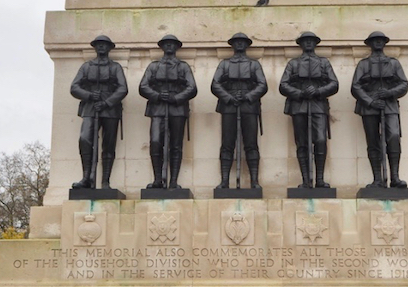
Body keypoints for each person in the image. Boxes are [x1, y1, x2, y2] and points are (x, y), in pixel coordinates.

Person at [279, 31, 339, 188]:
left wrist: (318, 91)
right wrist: (300, 93)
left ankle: (319, 179)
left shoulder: (323, 62)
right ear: (300, 44)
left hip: (318, 105)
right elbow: (283, 85)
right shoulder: (293, 63)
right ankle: (306, 179)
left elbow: (334, 83)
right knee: (302, 143)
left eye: (311, 41)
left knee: (320, 140)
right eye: (305, 41)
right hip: (299, 106)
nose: (308, 43)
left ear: (315, 43)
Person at [351, 31, 408, 188]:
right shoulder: (363, 64)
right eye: (374, 40)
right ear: (369, 44)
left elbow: (404, 84)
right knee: (373, 142)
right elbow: (355, 86)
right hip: (369, 107)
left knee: (394, 137)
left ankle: (395, 177)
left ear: (384, 43)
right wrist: (370, 101)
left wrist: (390, 93)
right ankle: (378, 178)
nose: (377, 43)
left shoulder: (393, 63)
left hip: (389, 105)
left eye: (380, 40)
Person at [139, 34, 197, 189]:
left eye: (172, 44)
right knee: (156, 142)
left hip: (177, 108)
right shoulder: (153, 66)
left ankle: (173, 181)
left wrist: (176, 98)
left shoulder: (183, 66)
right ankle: (158, 179)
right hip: (158, 107)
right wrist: (157, 95)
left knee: (176, 145)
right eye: (166, 44)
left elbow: (192, 87)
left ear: (177, 47)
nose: (169, 46)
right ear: (162, 47)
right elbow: (143, 86)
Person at [210, 33, 268, 189]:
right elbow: (215, 84)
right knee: (227, 144)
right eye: (237, 42)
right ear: (232, 45)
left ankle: (254, 181)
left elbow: (262, 84)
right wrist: (229, 97)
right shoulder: (225, 64)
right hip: (229, 106)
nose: (240, 44)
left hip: (249, 106)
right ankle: (224, 181)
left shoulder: (254, 64)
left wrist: (248, 96)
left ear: (247, 44)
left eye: (243, 42)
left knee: (251, 143)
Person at [70, 35, 128, 189]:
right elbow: (74, 87)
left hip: (110, 109)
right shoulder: (86, 67)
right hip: (90, 108)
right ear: (95, 47)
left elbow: (123, 88)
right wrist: (89, 95)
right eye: (98, 45)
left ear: (109, 48)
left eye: (104, 45)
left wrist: (106, 102)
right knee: (85, 139)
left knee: (108, 146)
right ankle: (87, 178)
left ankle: (105, 181)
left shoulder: (115, 67)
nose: (101, 47)